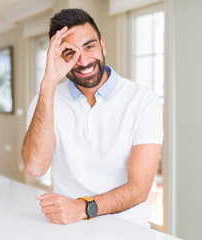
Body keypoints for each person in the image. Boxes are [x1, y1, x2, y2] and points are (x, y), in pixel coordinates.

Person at [22, 8, 163, 227]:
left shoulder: (143, 101)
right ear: (58, 57)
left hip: (128, 228)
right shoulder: (45, 100)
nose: (84, 60)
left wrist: (83, 208)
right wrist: (48, 84)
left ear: (102, 45)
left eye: (90, 46)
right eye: (70, 52)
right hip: (67, 227)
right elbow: (34, 168)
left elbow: (139, 188)